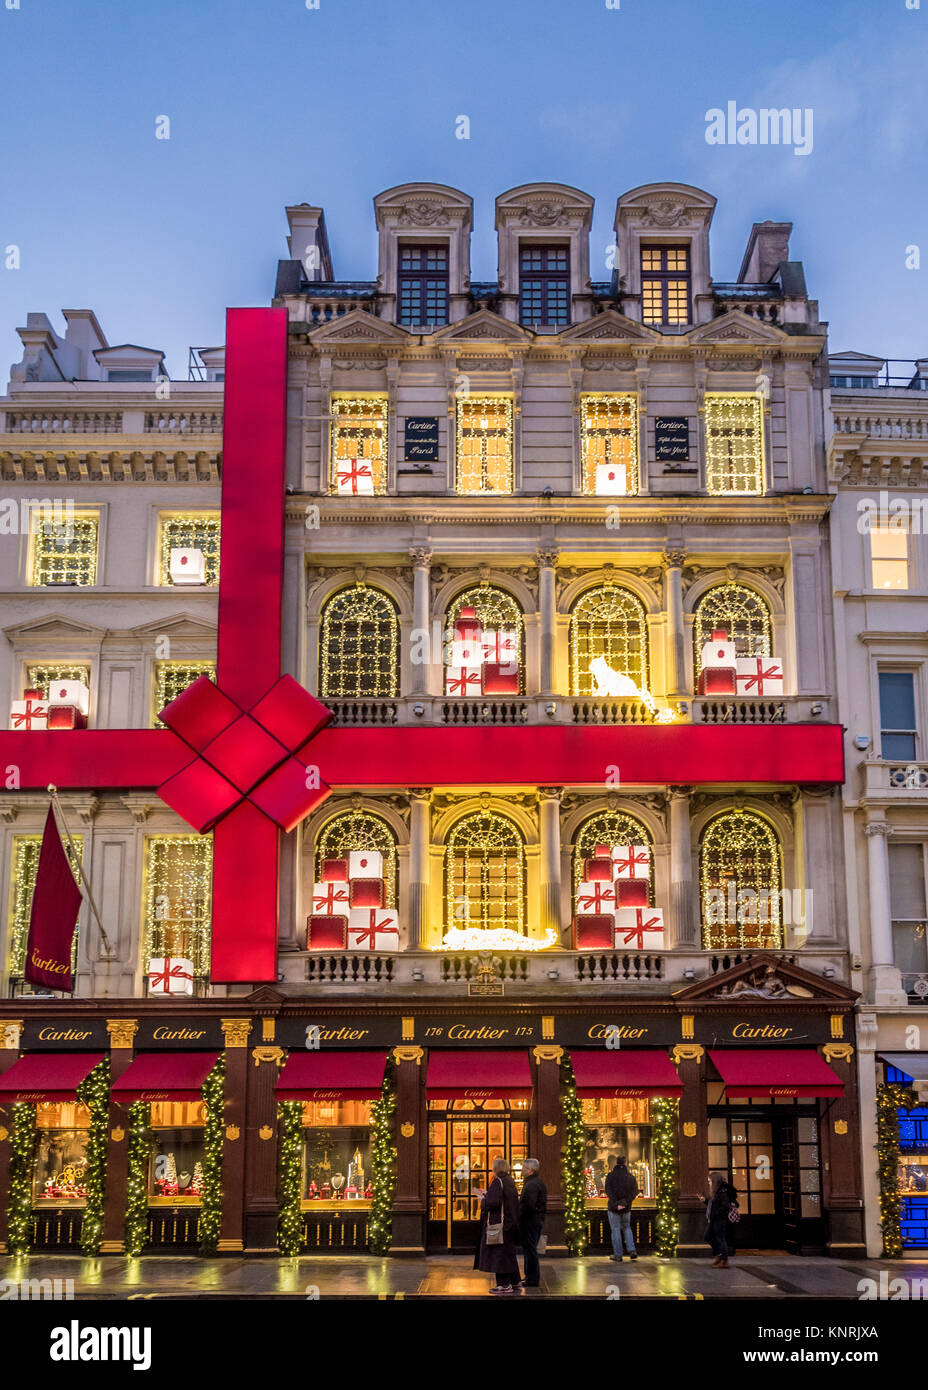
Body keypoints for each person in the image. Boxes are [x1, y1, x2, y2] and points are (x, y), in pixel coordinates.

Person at [474, 1156, 522, 1294]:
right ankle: (515, 1280)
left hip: (499, 1225)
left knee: (499, 1255)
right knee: (508, 1253)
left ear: (496, 1169)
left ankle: (504, 1284)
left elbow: (492, 1203)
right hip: (509, 1223)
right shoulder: (509, 1181)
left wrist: (483, 1199)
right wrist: (489, 1194)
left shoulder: (497, 1182)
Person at [518, 1158, 547, 1288]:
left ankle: (532, 1279)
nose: (522, 1170)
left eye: (524, 1168)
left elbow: (529, 1205)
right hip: (534, 1221)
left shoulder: (531, 1185)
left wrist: (519, 1214)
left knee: (530, 1250)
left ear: (530, 1170)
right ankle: (529, 1276)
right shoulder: (536, 1182)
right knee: (530, 1250)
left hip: (530, 1222)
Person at [604, 1155, 639, 1261]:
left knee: (615, 1229)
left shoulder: (610, 1176)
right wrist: (625, 1203)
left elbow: (608, 1190)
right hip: (626, 1208)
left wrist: (616, 1203)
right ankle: (631, 1250)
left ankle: (618, 1255)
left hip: (613, 1208)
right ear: (625, 1163)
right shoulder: (630, 1177)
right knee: (627, 1227)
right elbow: (634, 1191)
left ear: (616, 1163)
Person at [705, 1171, 738, 1268]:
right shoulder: (717, 1191)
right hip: (714, 1219)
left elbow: (725, 1207)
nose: (709, 1183)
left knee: (721, 1239)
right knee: (707, 1236)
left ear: (714, 1181)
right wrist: (706, 1201)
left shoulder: (723, 1192)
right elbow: (715, 1205)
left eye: (710, 1181)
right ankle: (718, 1255)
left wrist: (715, 1214)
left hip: (720, 1220)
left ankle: (724, 1261)